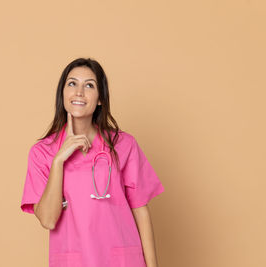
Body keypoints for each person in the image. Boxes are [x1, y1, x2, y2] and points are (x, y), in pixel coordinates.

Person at [20, 57, 165, 267]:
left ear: (100, 99)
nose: (79, 92)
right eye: (72, 83)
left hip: (122, 260)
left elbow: (141, 211)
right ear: (63, 93)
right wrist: (59, 160)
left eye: (89, 85)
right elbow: (48, 220)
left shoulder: (123, 144)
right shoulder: (43, 152)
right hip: (74, 260)